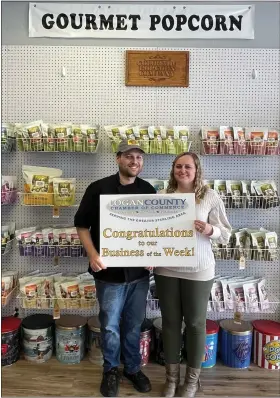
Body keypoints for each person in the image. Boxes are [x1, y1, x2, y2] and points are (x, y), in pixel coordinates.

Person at [74, 140, 156, 397]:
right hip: (108, 274)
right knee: (109, 326)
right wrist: (92, 254)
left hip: (139, 274)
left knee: (133, 326)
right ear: (118, 159)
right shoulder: (98, 188)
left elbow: (155, 229)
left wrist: (155, 252)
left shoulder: (149, 191)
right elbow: (81, 225)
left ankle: (132, 368)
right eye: (130, 157)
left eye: (139, 158)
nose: (135, 162)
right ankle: (110, 370)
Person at [154, 152, 231, 398]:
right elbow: (151, 232)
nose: (183, 170)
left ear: (197, 170)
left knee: (196, 324)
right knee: (170, 323)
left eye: (188, 166)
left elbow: (226, 232)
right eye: (178, 166)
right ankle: (171, 379)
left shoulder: (209, 196)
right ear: (173, 170)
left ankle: (192, 381)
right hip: (166, 269)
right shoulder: (162, 196)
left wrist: (211, 230)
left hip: (199, 269)